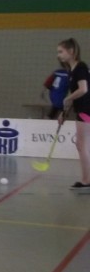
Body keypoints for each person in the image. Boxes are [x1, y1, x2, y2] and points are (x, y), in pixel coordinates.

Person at [57, 38, 90, 190]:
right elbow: (74, 96)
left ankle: (86, 181)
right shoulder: (72, 71)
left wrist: (67, 98)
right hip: (81, 109)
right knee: (81, 145)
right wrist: (64, 113)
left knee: (81, 145)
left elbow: (83, 89)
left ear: (71, 51)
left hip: (86, 110)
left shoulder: (80, 67)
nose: (58, 55)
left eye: (61, 51)